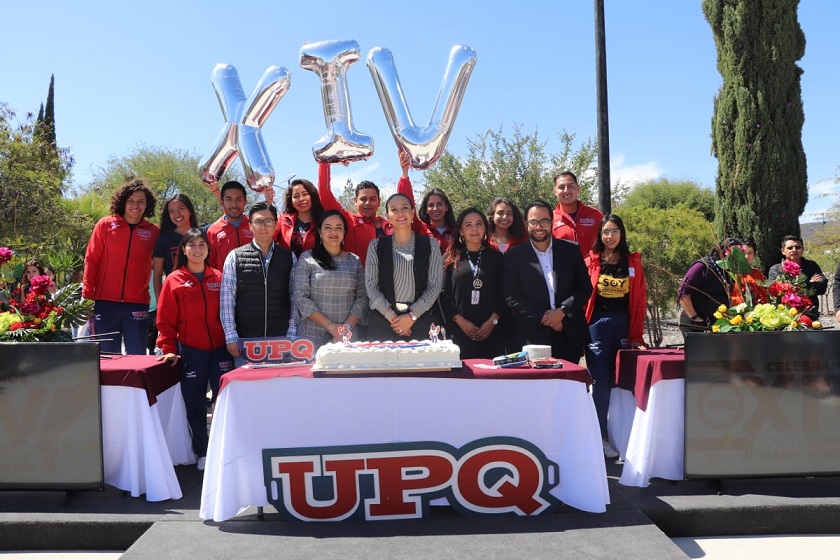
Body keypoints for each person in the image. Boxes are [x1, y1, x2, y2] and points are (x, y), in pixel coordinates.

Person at [156, 229, 232, 470]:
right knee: (195, 404)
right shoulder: (174, 279)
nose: (198, 249)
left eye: (202, 244)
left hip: (221, 350)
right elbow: (165, 319)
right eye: (192, 245)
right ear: (184, 249)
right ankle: (202, 451)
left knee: (223, 402)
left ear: (208, 249)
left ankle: (225, 450)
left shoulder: (220, 277)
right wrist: (168, 348)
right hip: (192, 351)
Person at [583, 215, 648, 459]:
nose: (610, 236)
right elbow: (582, 298)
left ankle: (622, 435)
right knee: (599, 383)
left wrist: (636, 336)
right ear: (600, 235)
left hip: (623, 325)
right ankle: (599, 436)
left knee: (620, 381)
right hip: (597, 326)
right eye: (606, 232)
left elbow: (639, 301)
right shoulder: (591, 261)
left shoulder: (633, 263)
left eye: (615, 231)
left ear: (622, 234)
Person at [504, 200, 592, 363]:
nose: (539, 226)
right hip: (532, 336)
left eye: (544, 221)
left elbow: (585, 287)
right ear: (526, 224)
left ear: (552, 223)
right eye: (533, 222)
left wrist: (563, 312)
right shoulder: (514, 256)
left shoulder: (571, 250)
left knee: (568, 385)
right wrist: (545, 317)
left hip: (567, 332)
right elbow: (511, 297)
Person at [83, 178, 159, 354]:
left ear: (147, 205)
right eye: (131, 201)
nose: (135, 206)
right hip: (105, 303)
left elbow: (160, 267)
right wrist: (87, 296)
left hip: (137, 305)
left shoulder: (153, 232)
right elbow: (91, 260)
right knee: (108, 359)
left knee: (137, 358)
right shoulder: (105, 225)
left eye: (141, 202)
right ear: (122, 202)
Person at [318, 153, 428, 266]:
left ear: (379, 201)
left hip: (392, 280)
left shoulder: (391, 224)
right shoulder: (348, 220)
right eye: (363, 199)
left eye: (373, 199)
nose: (368, 203)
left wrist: (405, 175)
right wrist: (324, 163)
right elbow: (325, 196)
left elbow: (406, 206)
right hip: (359, 280)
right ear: (355, 201)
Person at [220, 202, 294, 366]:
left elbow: (294, 298)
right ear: (250, 226)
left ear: (275, 224)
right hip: (246, 342)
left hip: (280, 340)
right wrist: (231, 335)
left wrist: (292, 332)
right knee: (247, 389)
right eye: (258, 222)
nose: (264, 226)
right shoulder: (235, 257)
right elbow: (227, 300)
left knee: (279, 388)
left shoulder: (289, 257)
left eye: (268, 221)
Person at [365, 193, 443, 341]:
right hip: (383, 323)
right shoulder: (376, 246)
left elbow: (435, 286)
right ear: (387, 215)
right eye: (394, 209)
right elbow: (371, 287)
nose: (400, 213)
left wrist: (411, 317)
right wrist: (394, 318)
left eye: (405, 208)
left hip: (422, 323)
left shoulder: (430, 244)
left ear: (413, 212)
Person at [291, 210, 368, 347]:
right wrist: (332, 327)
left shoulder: (354, 261)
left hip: (347, 337)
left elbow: (362, 298)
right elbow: (300, 297)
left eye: (339, 228)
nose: (333, 232)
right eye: (328, 228)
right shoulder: (307, 258)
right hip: (313, 337)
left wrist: (344, 330)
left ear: (344, 232)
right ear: (320, 232)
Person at [439, 208, 505, 358]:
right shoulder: (450, 258)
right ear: (461, 231)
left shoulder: (496, 258)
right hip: (458, 331)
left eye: (479, 224)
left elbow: (505, 293)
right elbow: (443, 294)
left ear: (485, 228)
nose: (474, 229)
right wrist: (461, 322)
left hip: (492, 332)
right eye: (468, 225)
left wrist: (492, 322)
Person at [677, 237, 740, 335]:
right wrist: (694, 317)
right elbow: (684, 293)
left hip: (718, 324)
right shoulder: (701, 266)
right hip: (697, 323)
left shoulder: (729, 270)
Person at [767, 235, 827, 321]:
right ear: (783, 251)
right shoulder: (776, 269)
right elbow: (775, 291)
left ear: (802, 249)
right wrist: (809, 284)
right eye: (790, 247)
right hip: (784, 316)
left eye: (797, 247)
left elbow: (822, 287)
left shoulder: (811, 266)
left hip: (809, 315)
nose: (794, 250)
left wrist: (791, 287)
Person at [153, 194, 199, 300]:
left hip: (200, 295)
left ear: (190, 210)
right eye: (171, 211)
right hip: (174, 296)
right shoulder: (163, 239)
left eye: (181, 208)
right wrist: (161, 303)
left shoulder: (202, 235)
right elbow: (157, 275)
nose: (176, 214)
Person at [551, 171, 604, 256]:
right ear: (555, 191)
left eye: (570, 186)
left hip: (593, 268)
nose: (566, 191)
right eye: (561, 187)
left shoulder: (596, 215)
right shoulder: (550, 219)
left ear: (578, 188)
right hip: (563, 269)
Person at [206, 181, 253, 271]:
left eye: (238, 199)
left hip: (254, 282)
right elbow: (211, 266)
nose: (234, 204)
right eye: (229, 199)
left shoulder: (255, 224)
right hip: (225, 283)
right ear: (222, 202)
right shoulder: (213, 231)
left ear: (245, 202)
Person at [274, 178, 325, 259]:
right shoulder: (283, 220)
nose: (301, 199)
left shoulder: (323, 221)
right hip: (286, 269)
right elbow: (267, 240)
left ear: (313, 196)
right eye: (296, 196)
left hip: (314, 269)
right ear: (291, 201)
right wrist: (268, 204)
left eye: (305, 194)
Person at [730, 237, 767, 306]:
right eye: (743, 253)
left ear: (754, 255)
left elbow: (764, 296)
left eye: (750, 253)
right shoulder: (730, 274)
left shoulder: (757, 273)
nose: (746, 256)